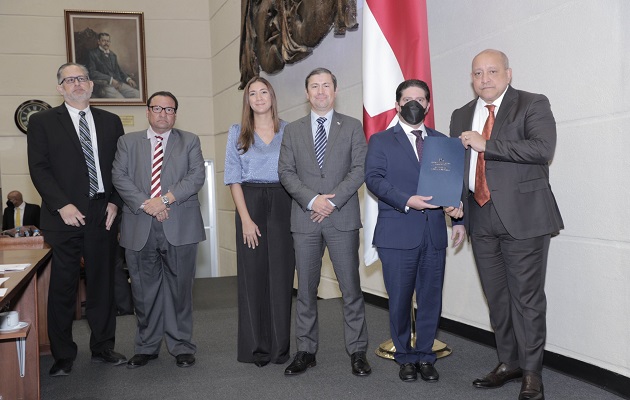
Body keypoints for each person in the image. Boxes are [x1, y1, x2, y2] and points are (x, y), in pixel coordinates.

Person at [450, 49, 563, 400]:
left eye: (492, 71)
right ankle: (509, 362)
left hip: (524, 216)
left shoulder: (532, 103)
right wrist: (454, 207)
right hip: (479, 215)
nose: (485, 78)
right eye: (478, 73)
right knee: (497, 297)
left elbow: (543, 149)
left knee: (526, 298)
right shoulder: (460, 115)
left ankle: (532, 373)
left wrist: (489, 145)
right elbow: (455, 165)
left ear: (508, 74)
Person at [27, 62, 127, 377]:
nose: (77, 84)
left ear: (92, 84)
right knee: (62, 287)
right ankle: (63, 356)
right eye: (70, 80)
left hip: (102, 213)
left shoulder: (111, 122)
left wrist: (115, 202)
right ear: (60, 88)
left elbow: (119, 169)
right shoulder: (42, 122)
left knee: (103, 285)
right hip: (63, 218)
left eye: (82, 78)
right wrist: (62, 205)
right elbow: (39, 168)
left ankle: (103, 348)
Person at [365, 79, 465, 383]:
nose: (413, 103)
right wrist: (406, 200)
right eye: (407, 98)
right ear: (397, 105)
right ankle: (404, 356)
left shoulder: (442, 141)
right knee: (399, 299)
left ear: (427, 105)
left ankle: (424, 355)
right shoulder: (381, 140)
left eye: (420, 99)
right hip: (397, 234)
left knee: (431, 298)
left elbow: (454, 185)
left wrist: (458, 217)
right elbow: (373, 179)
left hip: (434, 234)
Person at [278, 67, 371, 377]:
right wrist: (313, 200)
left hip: (341, 218)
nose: (320, 91)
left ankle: (358, 352)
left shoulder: (353, 126)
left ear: (335, 90)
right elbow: (286, 172)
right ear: (307, 94)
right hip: (305, 219)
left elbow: (359, 169)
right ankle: (305, 351)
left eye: (326, 86)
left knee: (351, 289)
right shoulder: (292, 130)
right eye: (314, 86)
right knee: (305, 290)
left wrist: (330, 201)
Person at [112, 91, 205, 369]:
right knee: (143, 290)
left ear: (175, 113)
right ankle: (147, 346)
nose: (163, 113)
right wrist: (147, 204)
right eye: (157, 108)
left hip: (180, 225)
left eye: (169, 109)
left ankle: (181, 346)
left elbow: (196, 177)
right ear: (148, 112)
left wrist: (163, 200)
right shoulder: (127, 142)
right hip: (139, 225)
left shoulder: (190, 140)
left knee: (180, 290)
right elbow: (119, 176)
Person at [224, 76, 295, 367]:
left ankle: (280, 349)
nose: (258, 97)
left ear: (272, 96)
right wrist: (245, 219)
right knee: (252, 278)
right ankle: (256, 348)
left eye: (263, 91)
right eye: (252, 93)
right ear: (247, 100)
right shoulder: (237, 132)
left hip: (283, 202)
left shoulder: (289, 130)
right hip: (249, 202)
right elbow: (232, 177)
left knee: (280, 278)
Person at [86, 32, 140, 99]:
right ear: (98, 42)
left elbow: (119, 70)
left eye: (108, 41)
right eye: (103, 41)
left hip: (118, 83)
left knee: (137, 94)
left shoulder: (113, 55)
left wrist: (128, 79)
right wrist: (110, 79)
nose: (106, 43)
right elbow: (92, 72)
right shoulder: (92, 54)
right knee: (120, 100)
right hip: (104, 85)